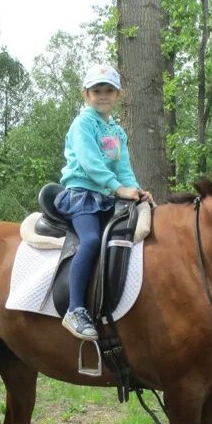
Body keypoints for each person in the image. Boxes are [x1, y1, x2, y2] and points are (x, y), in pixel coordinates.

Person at [54, 64, 152, 341]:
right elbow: (90, 162)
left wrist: (134, 190)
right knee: (91, 240)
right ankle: (74, 308)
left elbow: (124, 168)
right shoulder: (82, 123)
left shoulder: (117, 132)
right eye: (97, 90)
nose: (103, 95)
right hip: (82, 194)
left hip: (108, 197)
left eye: (109, 90)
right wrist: (117, 188)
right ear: (86, 94)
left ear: (118, 94)